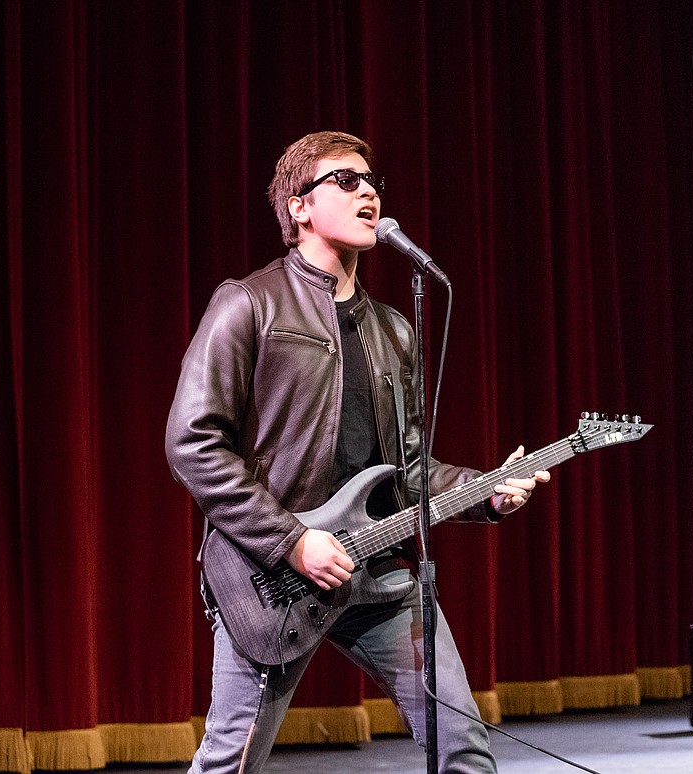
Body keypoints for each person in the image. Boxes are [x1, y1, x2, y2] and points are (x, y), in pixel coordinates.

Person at [165, 130, 549, 774]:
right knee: (231, 761)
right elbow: (192, 442)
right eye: (345, 180)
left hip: (380, 574)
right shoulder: (249, 304)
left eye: (371, 181)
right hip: (275, 576)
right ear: (299, 207)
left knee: (463, 751)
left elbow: (409, 474)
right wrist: (291, 540)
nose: (368, 190)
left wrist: (490, 489)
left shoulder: (395, 329)